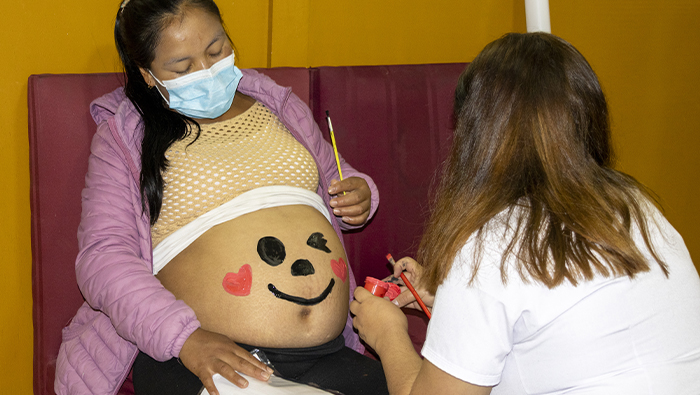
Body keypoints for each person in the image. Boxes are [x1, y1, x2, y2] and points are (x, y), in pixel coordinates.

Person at [54, 0, 388, 394]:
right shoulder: (125, 138)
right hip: (202, 354)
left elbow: (336, 176)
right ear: (147, 75)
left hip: (328, 352)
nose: (207, 72)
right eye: (182, 67)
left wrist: (359, 193)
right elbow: (103, 258)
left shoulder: (278, 105)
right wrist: (187, 340)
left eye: (217, 51)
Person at [351, 32, 700, 395]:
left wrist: (388, 334)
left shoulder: (491, 244)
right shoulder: (637, 207)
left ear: (478, 137)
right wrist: (451, 299)